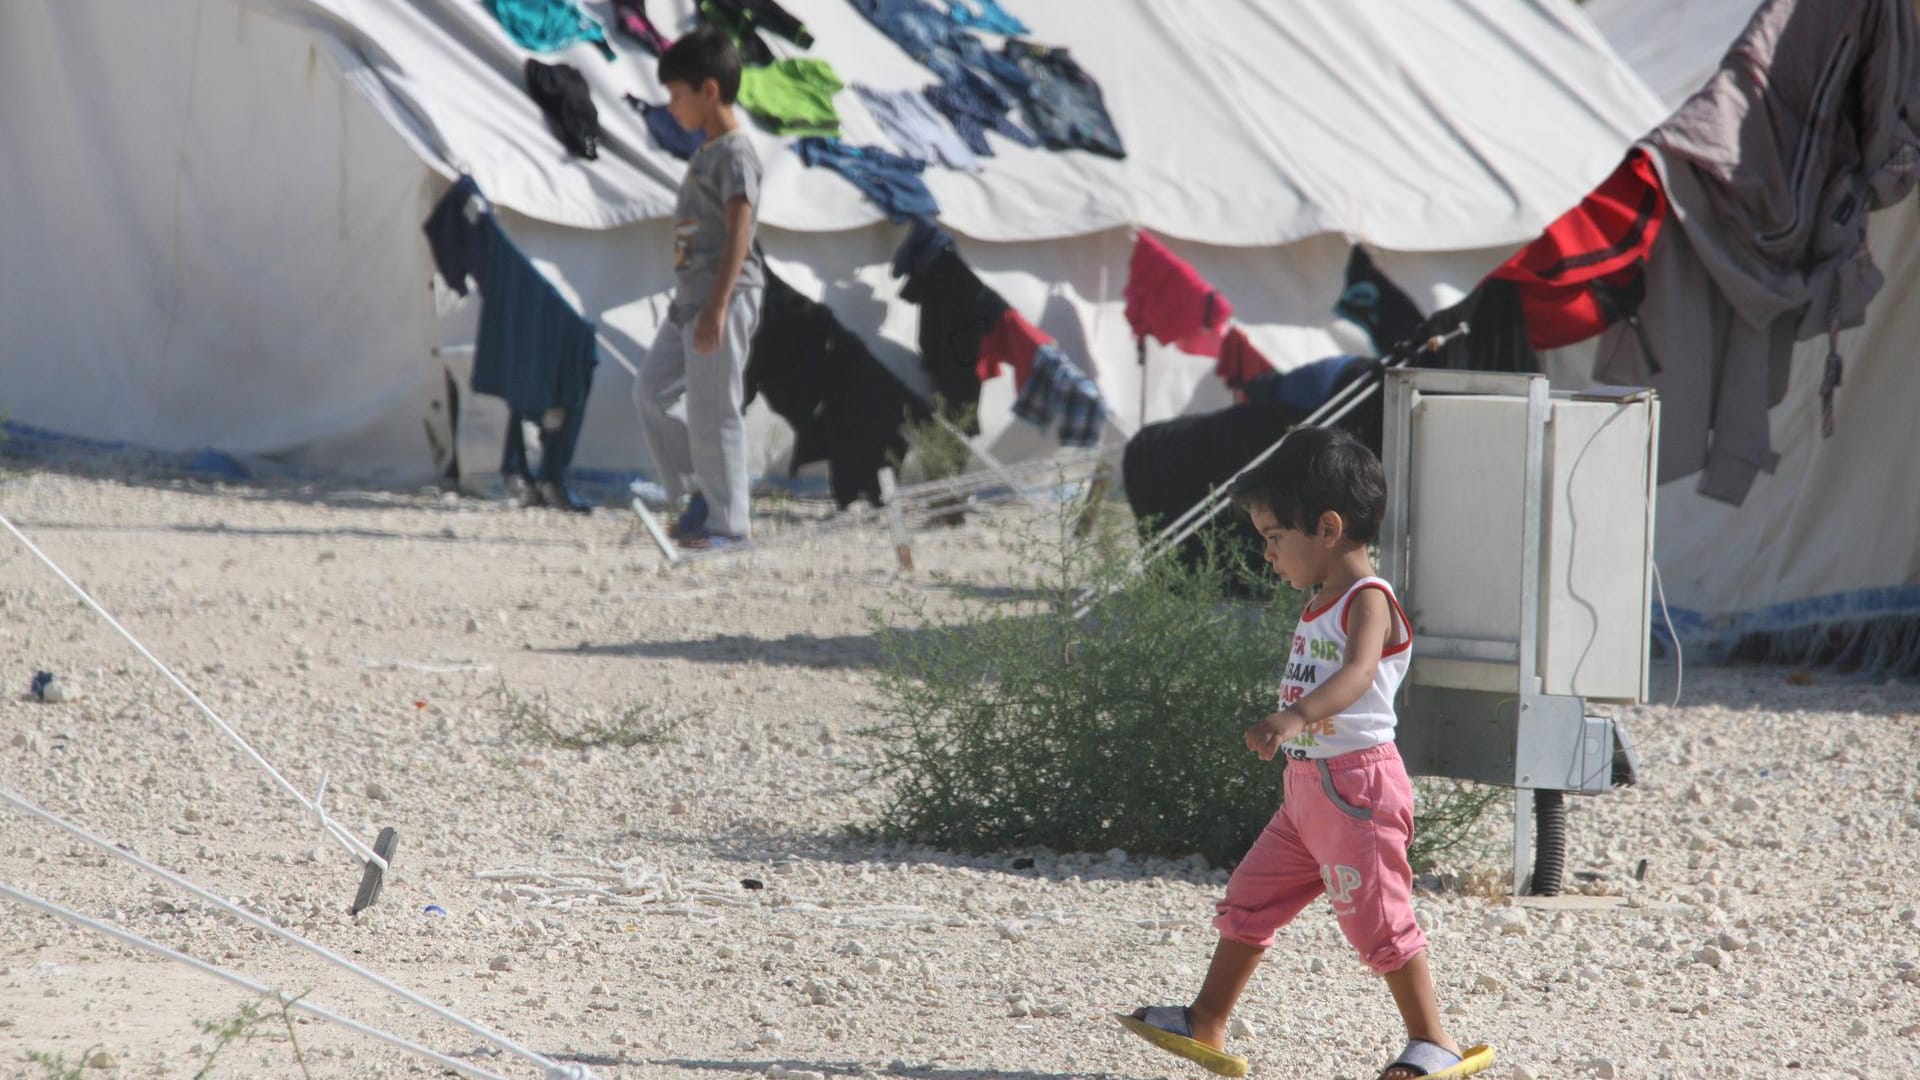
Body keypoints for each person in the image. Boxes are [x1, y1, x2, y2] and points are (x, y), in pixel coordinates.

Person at [1119, 426, 1491, 1080]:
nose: (1267, 555)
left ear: (1326, 527)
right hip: (1309, 792)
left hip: (1359, 792)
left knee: (1379, 921)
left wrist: (1294, 716)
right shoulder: (1321, 600)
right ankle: (1207, 1017)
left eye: (1272, 537)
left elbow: (1356, 675)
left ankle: (1434, 1041)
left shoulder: (1368, 599)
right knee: (1249, 900)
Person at [634, 26, 765, 552]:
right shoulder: (706, 151)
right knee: (651, 392)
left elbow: (742, 230)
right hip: (690, 302)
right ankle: (701, 498)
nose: (671, 107)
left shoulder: (735, 153)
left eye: (676, 95)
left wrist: (716, 306)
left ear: (709, 90)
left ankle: (732, 529)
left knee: (714, 409)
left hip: (722, 298)